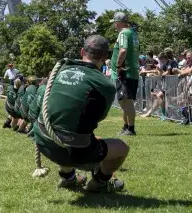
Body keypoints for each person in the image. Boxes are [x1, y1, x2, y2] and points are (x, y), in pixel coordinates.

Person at [33, 35, 129, 192]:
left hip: (43, 141)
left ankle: (68, 178)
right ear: (105, 57)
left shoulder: (61, 69)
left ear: (82, 51)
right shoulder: (105, 85)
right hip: (72, 150)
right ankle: (98, 182)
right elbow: (99, 117)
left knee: (66, 130)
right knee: (122, 148)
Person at [110, 12, 140, 136]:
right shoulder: (133, 33)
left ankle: (131, 129)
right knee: (123, 101)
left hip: (124, 72)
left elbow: (123, 50)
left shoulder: (123, 33)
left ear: (119, 22)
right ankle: (126, 126)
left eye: (115, 23)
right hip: (131, 71)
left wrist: (118, 66)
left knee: (127, 101)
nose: (114, 25)